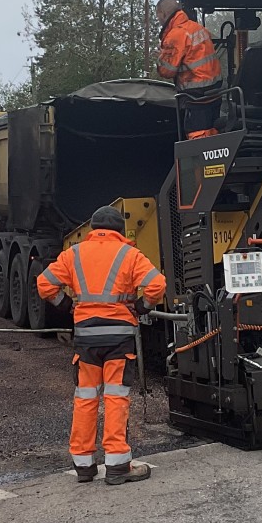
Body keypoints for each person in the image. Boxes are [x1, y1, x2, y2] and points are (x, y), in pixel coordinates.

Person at [36, 205, 167, 486]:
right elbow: (156, 284)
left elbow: (45, 284)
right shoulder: (128, 254)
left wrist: (68, 305)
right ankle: (118, 465)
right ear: (120, 231)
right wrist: (141, 307)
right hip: (119, 340)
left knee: (85, 398)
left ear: (93, 229)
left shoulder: (74, 254)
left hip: (86, 340)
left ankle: (83, 465)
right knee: (115, 398)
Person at [156, 0, 224, 139]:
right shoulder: (198, 28)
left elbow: (167, 71)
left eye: (158, 17)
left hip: (196, 97)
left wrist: (161, 57)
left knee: (198, 141)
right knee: (214, 136)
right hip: (215, 93)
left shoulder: (175, 35)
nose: (159, 21)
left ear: (163, 13)